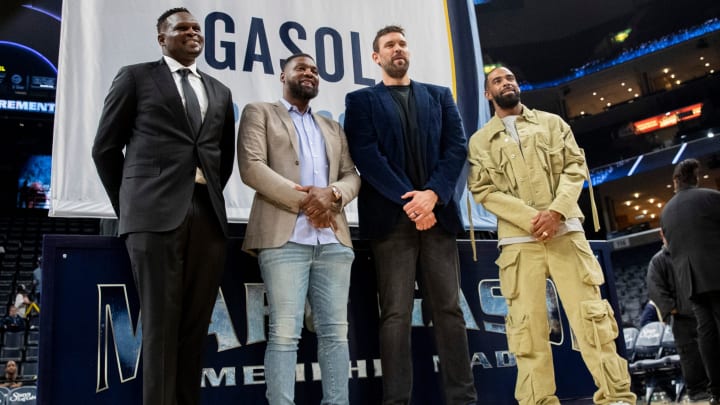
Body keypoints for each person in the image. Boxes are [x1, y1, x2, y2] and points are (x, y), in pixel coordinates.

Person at [91, 7, 235, 405]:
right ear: (162, 38)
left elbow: (222, 156)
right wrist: (132, 208)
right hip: (152, 217)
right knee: (159, 326)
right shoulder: (136, 77)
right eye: (181, 28)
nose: (192, 33)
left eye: (196, 28)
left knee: (195, 327)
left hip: (207, 216)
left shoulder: (220, 90)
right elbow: (104, 148)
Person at [467, 66, 636, 405]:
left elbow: (576, 168)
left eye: (511, 78)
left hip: (566, 233)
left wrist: (556, 212)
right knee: (526, 332)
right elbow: (482, 189)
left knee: (592, 321)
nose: (506, 83)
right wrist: (533, 219)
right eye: (498, 81)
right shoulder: (480, 141)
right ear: (488, 94)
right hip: (519, 244)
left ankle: (617, 397)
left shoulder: (553, 124)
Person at [344, 25, 477, 405]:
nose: (397, 49)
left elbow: (456, 149)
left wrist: (432, 196)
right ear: (376, 57)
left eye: (402, 43)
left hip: (438, 219)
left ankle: (463, 398)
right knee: (396, 315)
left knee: (450, 311)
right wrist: (413, 203)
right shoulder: (361, 101)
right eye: (389, 45)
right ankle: (396, 401)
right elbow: (367, 157)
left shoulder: (439, 96)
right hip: (392, 224)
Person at [237, 53, 360, 404]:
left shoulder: (332, 127)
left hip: (333, 242)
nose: (309, 73)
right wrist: (309, 202)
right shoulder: (259, 112)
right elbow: (252, 167)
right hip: (284, 240)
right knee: (285, 335)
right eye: (301, 68)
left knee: (336, 335)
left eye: (315, 70)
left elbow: (352, 176)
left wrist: (333, 194)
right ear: (283, 75)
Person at [661, 158, 720, 405]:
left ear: (676, 181)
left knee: (707, 336)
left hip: (690, 282)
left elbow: (668, 248)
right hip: (716, 273)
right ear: (695, 178)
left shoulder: (666, 211)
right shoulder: (711, 196)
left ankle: (717, 391)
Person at [646, 230, 710, 402]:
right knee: (690, 356)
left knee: (711, 350)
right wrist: (673, 309)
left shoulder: (691, 253)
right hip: (681, 318)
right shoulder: (658, 260)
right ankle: (696, 391)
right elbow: (655, 289)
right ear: (662, 236)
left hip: (703, 312)